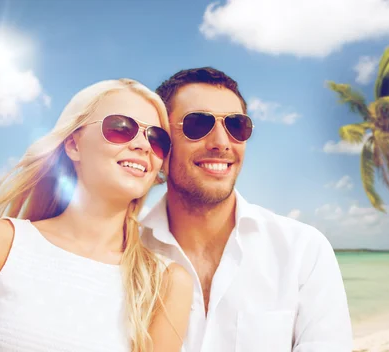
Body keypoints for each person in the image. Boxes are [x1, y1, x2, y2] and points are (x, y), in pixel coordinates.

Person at [0, 78, 193, 352]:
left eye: (157, 139)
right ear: (74, 145)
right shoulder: (1, 241)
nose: (143, 145)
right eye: (121, 128)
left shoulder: (167, 281)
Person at [140, 67, 353, 352]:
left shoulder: (303, 251)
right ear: (161, 143)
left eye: (236, 126)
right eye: (197, 125)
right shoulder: (124, 249)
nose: (221, 143)